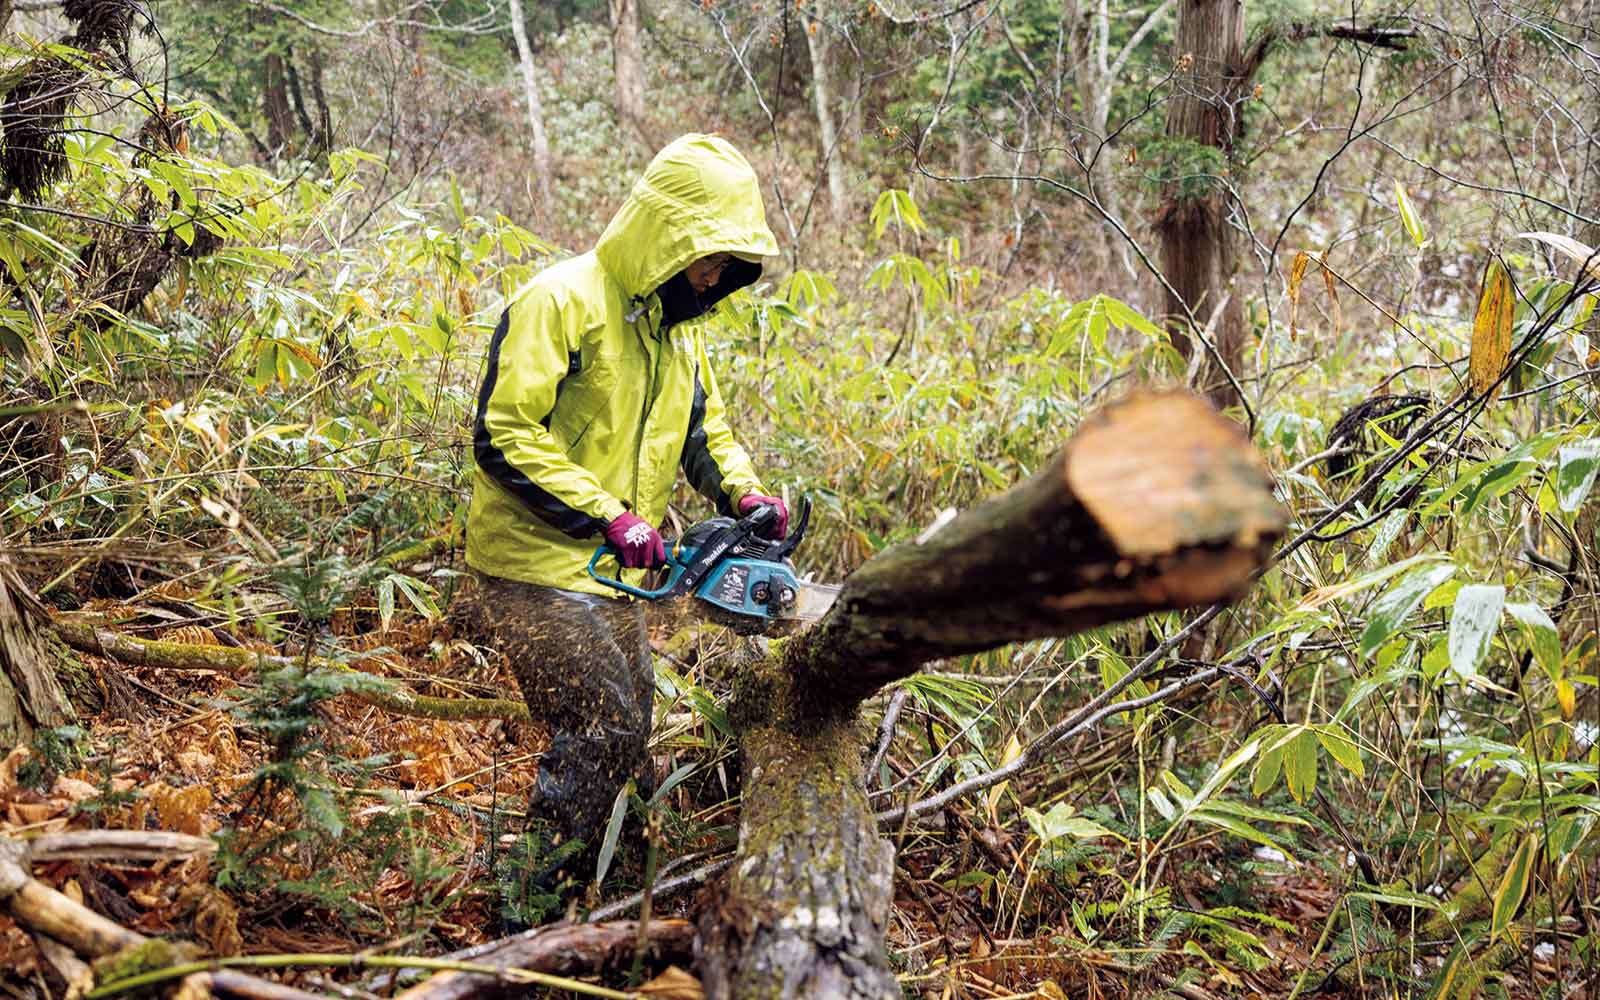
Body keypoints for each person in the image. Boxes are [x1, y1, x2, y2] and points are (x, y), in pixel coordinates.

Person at [451, 134, 788, 887]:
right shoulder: (561, 300)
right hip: (534, 563)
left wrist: (748, 495)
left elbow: (707, 433)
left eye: (726, 269)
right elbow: (503, 433)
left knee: (629, 719)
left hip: (614, 573)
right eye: (706, 259)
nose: (710, 279)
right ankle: (528, 903)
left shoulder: (679, 339)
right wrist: (611, 516)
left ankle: (592, 880)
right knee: (601, 726)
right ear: (666, 236)